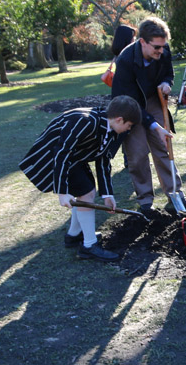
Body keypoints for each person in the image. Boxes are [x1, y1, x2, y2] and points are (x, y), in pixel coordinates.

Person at [19, 96, 141, 262]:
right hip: (51, 158)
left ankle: (74, 235)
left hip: (74, 159)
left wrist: (107, 194)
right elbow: (61, 153)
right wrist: (62, 191)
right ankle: (89, 246)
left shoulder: (111, 129)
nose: (129, 129)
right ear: (119, 119)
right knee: (86, 193)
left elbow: (103, 160)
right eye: (129, 125)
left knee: (88, 191)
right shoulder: (85, 121)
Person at [110, 17, 186, 213]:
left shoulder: (163, 49)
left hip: (153, 99)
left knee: (163, 147)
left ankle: (175, 193)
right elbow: (133, 104)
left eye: (163, 46)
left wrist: (166, 83)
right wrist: (155, 126)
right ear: (143, 42)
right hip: (129, 106)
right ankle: (146, 201)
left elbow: (168, 73)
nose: (161, 51)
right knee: (137, 154)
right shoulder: (125, 61)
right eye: (156, 47)